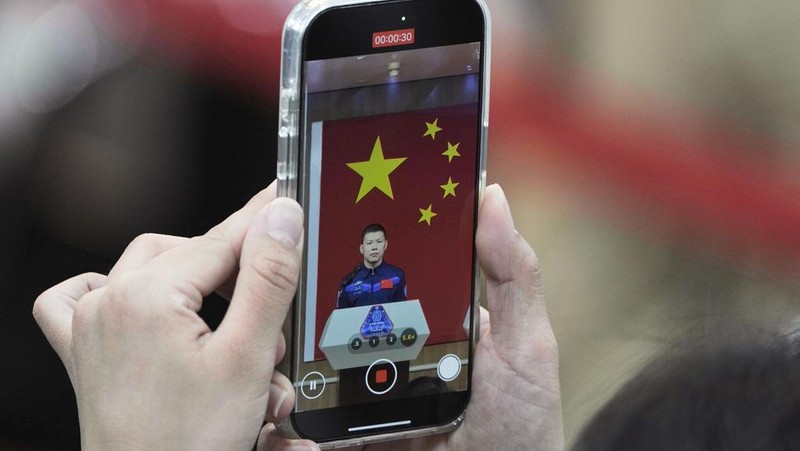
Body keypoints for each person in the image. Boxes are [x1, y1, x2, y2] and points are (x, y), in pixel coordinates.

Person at [32, 181, 564, 451]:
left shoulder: (398, 277)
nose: (377, 249)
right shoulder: (346, 282)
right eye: (370, 242)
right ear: (362, 246)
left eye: (382, 242)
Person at [336, 223, 407, 309]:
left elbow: (403, 313)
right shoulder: (348, 282)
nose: (374, 247)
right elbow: (342, 319)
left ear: (386, 244)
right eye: (369, 243)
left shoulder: (397, 276)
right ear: (361, 249)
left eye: (379, 242)